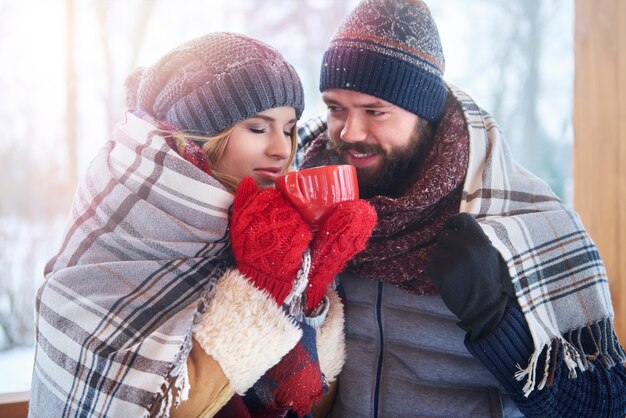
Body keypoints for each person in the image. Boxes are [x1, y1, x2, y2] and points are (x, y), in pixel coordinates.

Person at [298, 1, 626, 417]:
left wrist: (495, 320)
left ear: (426, 113)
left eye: (374, 111)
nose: (350, 132)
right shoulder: (313, 202)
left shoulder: (518, 219)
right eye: (335, 108)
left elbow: (606, 404)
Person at [29, 32, 376, 418]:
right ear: (202, 133)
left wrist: (306, 295)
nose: (281, 148)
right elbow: (151, 406)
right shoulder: (126, 230)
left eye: (289, 128)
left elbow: (298, 399)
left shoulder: (264, 223)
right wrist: (259, 289)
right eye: (258, 128)